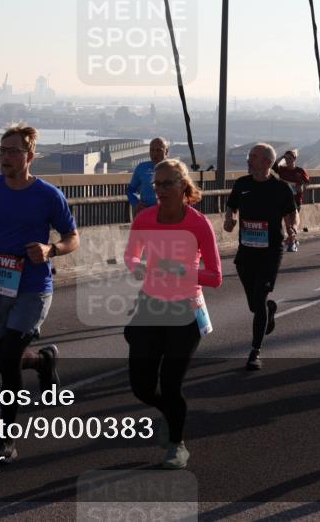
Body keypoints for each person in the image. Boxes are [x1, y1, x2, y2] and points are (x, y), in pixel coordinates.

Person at [0, 126, 80, 463]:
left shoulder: (48, 195)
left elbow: (73, 238)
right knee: (3, 359)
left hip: (33, 287)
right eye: (2, 151)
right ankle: (43, 361)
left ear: (29, 156)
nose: (5, 157)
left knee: (9, 357)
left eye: (13, 151)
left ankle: (6, 439)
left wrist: (51, 249)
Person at [124, 158, 222, 469]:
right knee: (141, 386)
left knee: (170, 384)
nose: (161, 190)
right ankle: (171, 415)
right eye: (157, 184)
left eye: (168, 184)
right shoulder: (145, 219)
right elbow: (131, 257)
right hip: (151, 306)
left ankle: (177, 445)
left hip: (185, 311)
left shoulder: (197, 223)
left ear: (183, 186)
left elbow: (215, 277)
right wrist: (139, 267)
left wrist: (180, 270)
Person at [224, 144, 297, 370]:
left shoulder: (280, 188)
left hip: (270, 251)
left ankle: (255, 351)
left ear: (266, 162)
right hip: (246, 252)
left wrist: (293, 230)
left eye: (253, 157)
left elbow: (292, 214)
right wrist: (229, 218)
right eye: (250, 156)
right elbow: (231, 206)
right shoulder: (242, 184)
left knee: (260, 295)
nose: (249, 159)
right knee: (256, 305)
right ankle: (268, 310)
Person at [274, 149, 311, 252]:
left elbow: (307, 183)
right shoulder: (282, 169)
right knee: (287, 223)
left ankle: (292, 240)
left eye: (290, 158)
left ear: (294, 159)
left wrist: (302, 187)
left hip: (296, 200)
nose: (288, 160)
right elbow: (273, 166)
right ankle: (292, 242)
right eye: (286, 158)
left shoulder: (300, 171)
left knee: (292, 221)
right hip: (283, 200)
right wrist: (282, 157)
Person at [127, 138, 170, 216]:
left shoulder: (174, 169)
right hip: (146, 213)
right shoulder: (141, 168)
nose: (154, 154)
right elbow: (131, 190)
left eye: (158, 150)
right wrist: (136, 204)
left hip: (167, 215)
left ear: (166, 151)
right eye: (152, 150)